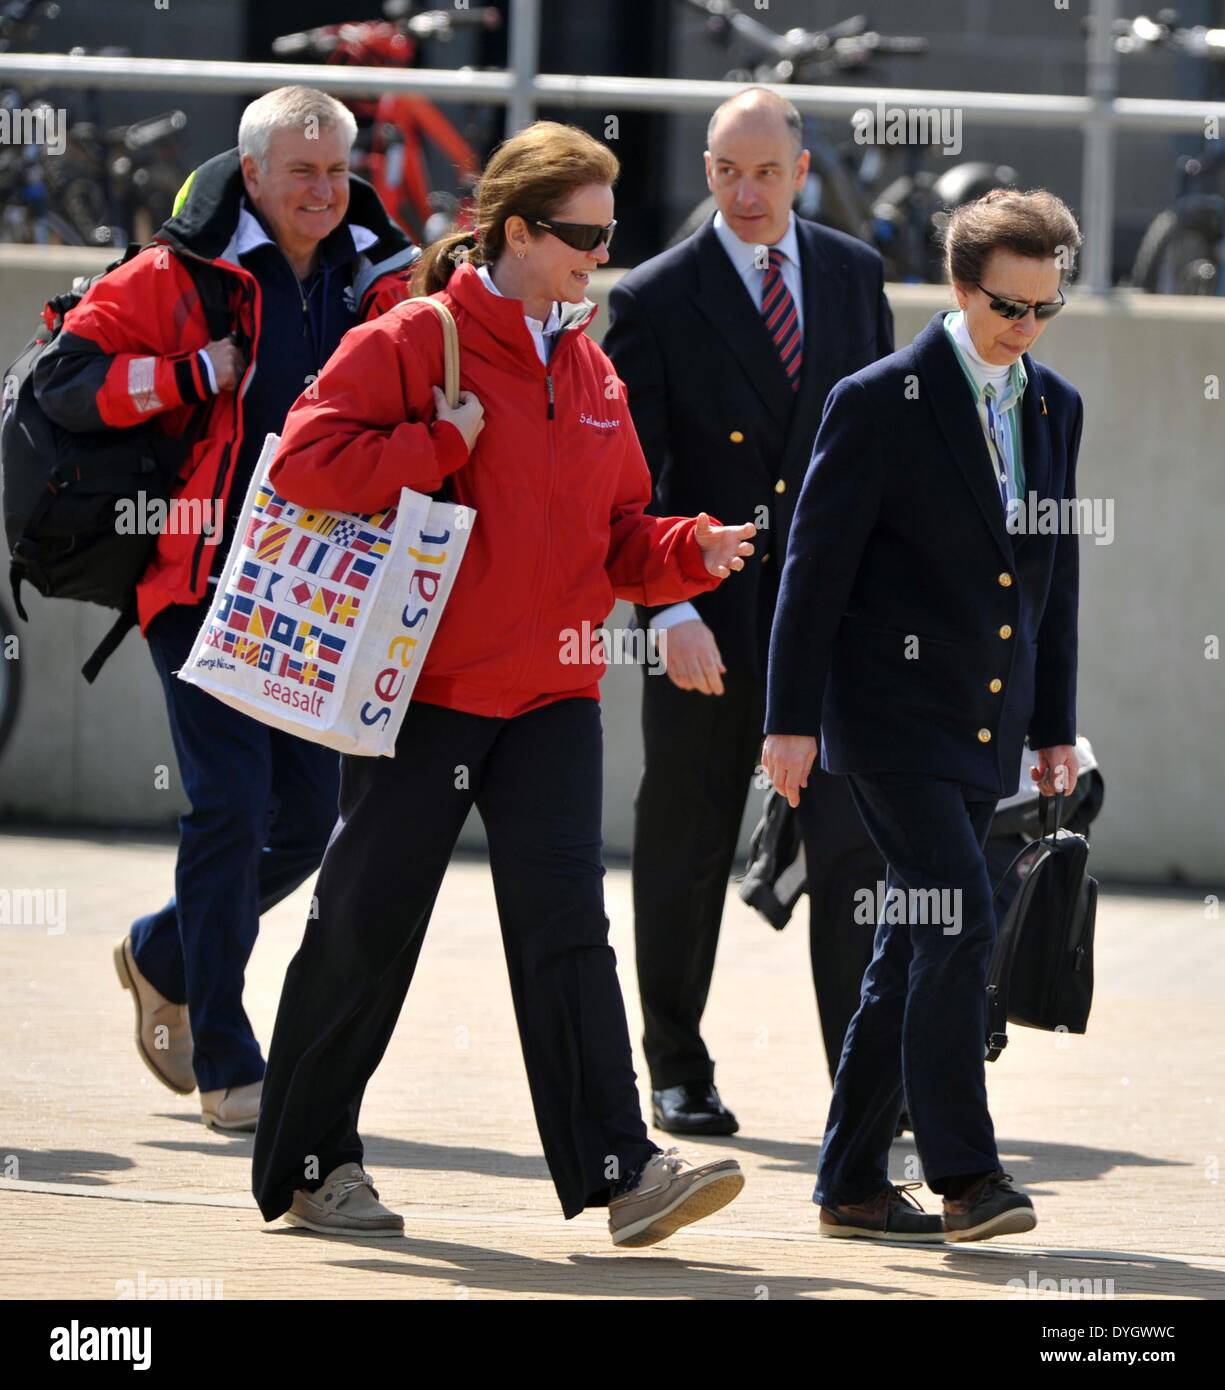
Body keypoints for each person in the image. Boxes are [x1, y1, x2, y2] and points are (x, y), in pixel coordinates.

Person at [251, 121, 757, 1246]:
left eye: (611, 231)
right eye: (583, 233)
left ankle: (624, 1172)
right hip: (423, 693)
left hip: (553, 696)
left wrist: (685, 552)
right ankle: (311, 1164)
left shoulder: (587, 362)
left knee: (570, 931)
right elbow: (299, 465)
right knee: (366, 926)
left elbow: (618, 532)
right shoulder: (416, 336)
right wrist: (433, 445)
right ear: (516, 232)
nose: (601, 252)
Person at [34, 86, 427, 1132]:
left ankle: (162, 950)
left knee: (302, 825)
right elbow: (62, 384)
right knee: (228, 805)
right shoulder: (176, 277)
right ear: (250, 173)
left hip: (313, 593)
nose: (323, 189)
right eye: (300, 170)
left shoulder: (376, 277)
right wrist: (189, 372)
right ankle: (223, 1053)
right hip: (198, 583)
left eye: (338, 170)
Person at [763, 188, 1085, 1243]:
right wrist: (788, 719)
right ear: (958, 287)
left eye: (1045, 306)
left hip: (984, 724)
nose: (1025, 326)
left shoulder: (1055, 408)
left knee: (913, 944)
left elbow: (1054, 581)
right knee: (958, 917)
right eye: (1008, 304)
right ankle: (967, 1175)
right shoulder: (878, 398)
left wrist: (1051, 726)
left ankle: (851, 1184)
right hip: (887, 715)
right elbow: (812, 571)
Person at [602, 87, 894, 1136]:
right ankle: (675, 1064)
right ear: (707, 171)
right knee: (682, 840)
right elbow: (626, 477)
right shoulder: (653, 295)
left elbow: (884, 453)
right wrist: (665, 605)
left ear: (802, 170)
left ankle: (863, 1083)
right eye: (727, 169)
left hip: (831, 623)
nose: (747, 190)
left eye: (767, 170)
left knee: (851, 849)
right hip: (707, 618)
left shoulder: (855, 276)